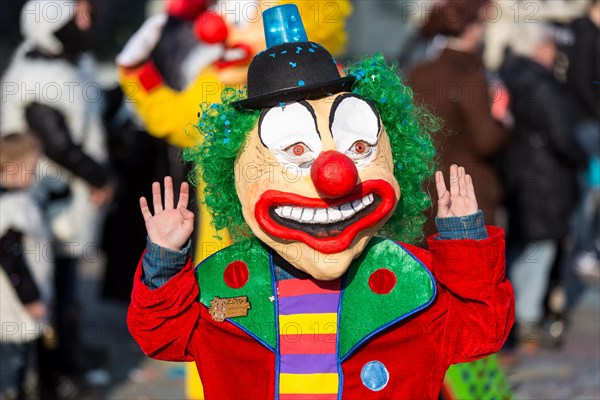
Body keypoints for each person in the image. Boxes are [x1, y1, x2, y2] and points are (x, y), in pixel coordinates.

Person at [127, 5, 513, 398]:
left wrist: (464, 242)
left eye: (359, 147)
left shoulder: (410, 277)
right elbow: (162, 335)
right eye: (295, 149)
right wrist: (164, 256)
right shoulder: (221, 285)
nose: (335, 174)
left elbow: (479, 330)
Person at [0, 0, 114, 395]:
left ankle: (69, 351)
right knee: (51, 286)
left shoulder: (70, 61)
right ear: (54, 21)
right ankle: (52, 369)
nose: (87, 21)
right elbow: (57, 144)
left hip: (72, 201)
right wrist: (103, 177)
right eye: (77, 14)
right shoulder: (35, 75)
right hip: (49, 204)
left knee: (66, 285)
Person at [499, 22, 587, 349]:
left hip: (522, 176)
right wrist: (581, 156)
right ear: (540, 48)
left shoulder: (511, 75)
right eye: (552, 47)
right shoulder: (539, 83)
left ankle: (521, 315)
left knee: (525, 246)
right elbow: (562, 133)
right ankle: (528, 319)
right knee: (541, 247)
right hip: (544, 179)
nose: (556, 54)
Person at [407, 0, 512, 238]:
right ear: (472, 28)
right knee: (468, 269)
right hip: (466, 194)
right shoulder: (469, 77)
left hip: (424, 194)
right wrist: (502, 119)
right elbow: (486, 141)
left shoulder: (417, 72)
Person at [0, 133, 53, 400]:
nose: (35, 175)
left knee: (18, 364)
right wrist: (30, 298)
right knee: (11, 368)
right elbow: (11, 259)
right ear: (10, 169)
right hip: (12, 307)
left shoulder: (19, 198)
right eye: (31, 169)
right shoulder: (10, 209)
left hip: (16, 304)